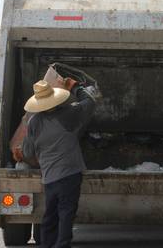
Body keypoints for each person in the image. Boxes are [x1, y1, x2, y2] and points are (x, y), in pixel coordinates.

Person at [21, 65, 96, 248]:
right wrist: (75, 87)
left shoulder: (34, 123)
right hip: (70, 175)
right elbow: (90, 103)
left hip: (49, 178)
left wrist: (22, 153)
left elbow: (28, 152)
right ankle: (62, 245)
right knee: (66, 214)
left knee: (50, 217)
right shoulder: (69, 114)